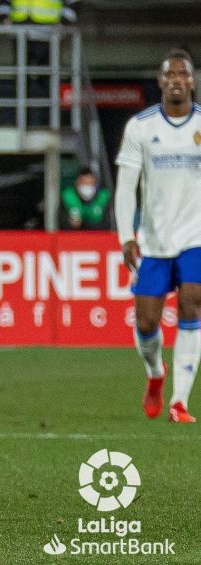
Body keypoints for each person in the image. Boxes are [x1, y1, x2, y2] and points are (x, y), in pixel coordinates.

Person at [114, 49, 200, 424]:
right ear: (161, 81)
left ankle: (179, 401)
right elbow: (125, 186)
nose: (177, 79)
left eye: (184, 73)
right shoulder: (141, 127)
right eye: (171, 74)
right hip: (153, 241)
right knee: (147, 323)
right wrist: (125, 236)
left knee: (192, 306)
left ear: (192, 81)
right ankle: (155, 374)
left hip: (195, 237)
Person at [0, 0, 78, 126]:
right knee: (21, 81)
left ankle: (49, 123)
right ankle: (21, 123)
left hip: (49, 34)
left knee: (48, 82)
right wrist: (4, 18)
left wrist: (64, 22)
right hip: (20, 33)